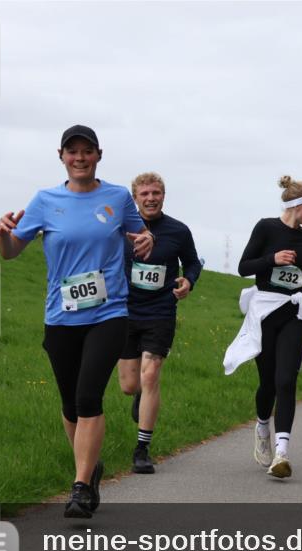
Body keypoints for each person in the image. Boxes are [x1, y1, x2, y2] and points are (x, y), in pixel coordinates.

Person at [0, 125, 154, 518]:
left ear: (99, 155)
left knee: (88, 398)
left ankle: (80, 487)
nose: (79, 158)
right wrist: (3, 234)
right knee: (70, 405)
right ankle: (91, 465)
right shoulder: (45, 200)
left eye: (87, 151)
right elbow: (12, 252)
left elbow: (141, 237)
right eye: (72, 152)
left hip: (109, 312)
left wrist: (146, 240)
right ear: (61, 156)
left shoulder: (117, 197)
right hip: (61, 317)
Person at [223, 176, 302, 479]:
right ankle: (263, 425)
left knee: (286, 379)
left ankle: (282, 453)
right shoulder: (266, 227)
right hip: (264, 311)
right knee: (268, 383)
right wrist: (271, 259)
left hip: (294, 311)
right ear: (298, 205)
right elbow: (243, 267)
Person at [117, 172, 202, 474]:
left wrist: (188, 281)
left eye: (156, 193)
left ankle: (142, 449)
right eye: (145, 194)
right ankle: (140, 396)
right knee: (130, 385)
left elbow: (192, 262)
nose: (151, 198)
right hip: (125, 312)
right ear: (135, 198)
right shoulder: (122, 228)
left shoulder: (178, 231)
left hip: (161, 312)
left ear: (163, 196)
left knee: (151, 375)